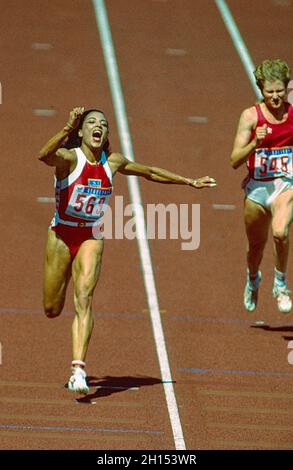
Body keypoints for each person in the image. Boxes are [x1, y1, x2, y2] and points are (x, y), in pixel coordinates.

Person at [39, 107, 217, 394]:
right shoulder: (70, 159)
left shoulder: (114, 162)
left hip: (91, 235)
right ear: (81, 132)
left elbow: (149, 172)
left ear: (106, 134)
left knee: (84, 297)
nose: (99, 127)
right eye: (92, 123)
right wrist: (65, 128)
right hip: (61, 233)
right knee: (52, 308)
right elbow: (44, 156)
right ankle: (75, 358)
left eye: (104, 125)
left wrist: (188, 181)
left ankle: (78, 370)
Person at [230, 59, 293, 314]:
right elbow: (234, 160)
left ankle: (280, 285)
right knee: (256, 247)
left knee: (280, 232)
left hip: (285, 185)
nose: (275, 96)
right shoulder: (250, 116)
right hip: (257, 189)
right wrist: (255, 142)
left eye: (280, 90)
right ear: (261, 89)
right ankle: (253, 278)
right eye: (270, 91)